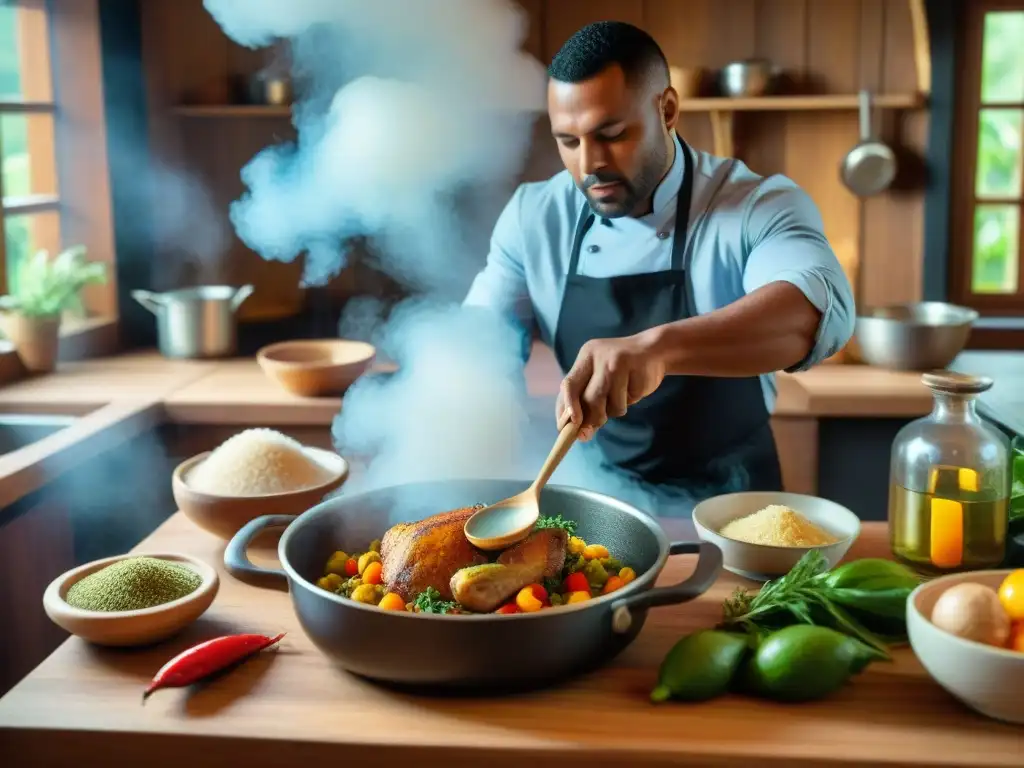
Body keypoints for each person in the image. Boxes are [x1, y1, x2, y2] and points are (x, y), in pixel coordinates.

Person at [463, 20, 855, 510]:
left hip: (736, 505)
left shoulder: (757, 203)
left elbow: (817, 314)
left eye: (611, 134)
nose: (590, 166)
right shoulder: (534, 216)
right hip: (598, 500)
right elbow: (477, 342)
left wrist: (657, 350)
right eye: (569, 141)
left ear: (667, 110)